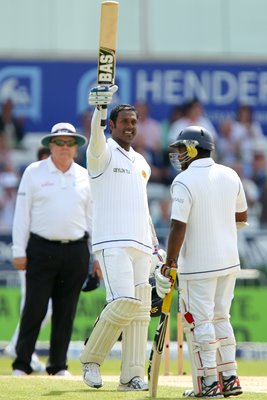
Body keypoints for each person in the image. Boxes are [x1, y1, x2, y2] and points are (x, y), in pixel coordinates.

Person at [154, 126, 248, 398]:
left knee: (201, 322)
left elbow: (177, 226)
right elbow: (241, 216)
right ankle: (230, 378)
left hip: (198, 265)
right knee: (222, 318)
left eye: (182, 149)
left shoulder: (184, 181)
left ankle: (208, 381)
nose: (179, 155)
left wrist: (170, 262)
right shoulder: (230, 174)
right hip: (229, 262)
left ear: (194, 148)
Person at [80, 85, 160, 391]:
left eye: (134, 122)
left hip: (142, 245)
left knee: (141, 313)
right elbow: (96, 138)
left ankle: (130, 377)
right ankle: (91, 359)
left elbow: (144, 209)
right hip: (112, 242)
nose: (130, 126)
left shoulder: (142, 163)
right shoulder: (100, 155)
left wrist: (156, 248)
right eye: (124, 121)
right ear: (112, 125)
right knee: (124, 302)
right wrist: (100, 109)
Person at [11, 122, 93, 376]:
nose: (65, 148)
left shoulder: (84, 175)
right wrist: (18, 249)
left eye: (70, 143)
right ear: (50, 146)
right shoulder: (34, 172)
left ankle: (58, 365)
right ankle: (22, 363)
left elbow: (92, 218)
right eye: (60, 143)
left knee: (66, 311)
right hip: (41, 248)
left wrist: (96, 255)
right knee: (35, 308)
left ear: (76, 149)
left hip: (76, 250)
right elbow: (22, 214)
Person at [4, 147, 51, 372]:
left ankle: (20, 347)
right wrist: (19, 250)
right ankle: (19, 346)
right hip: (33, 250)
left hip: (44, 251)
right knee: (35, 304)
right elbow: (22, 219)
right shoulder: (33, 179)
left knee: (38, 305)